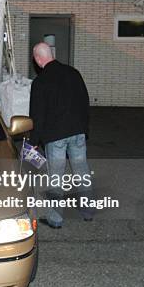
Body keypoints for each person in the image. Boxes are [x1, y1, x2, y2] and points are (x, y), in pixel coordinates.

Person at [29, 42, 94, 228]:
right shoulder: (74, 73)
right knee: (81, 171)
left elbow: (37, 115)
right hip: (77, 132)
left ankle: (55, 219)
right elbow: (85, 102)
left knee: (55, 176)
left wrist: (34, 141)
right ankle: (88, 211)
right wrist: (84, 129)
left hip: (55, 136)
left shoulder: (40, 82)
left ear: (38, 59)